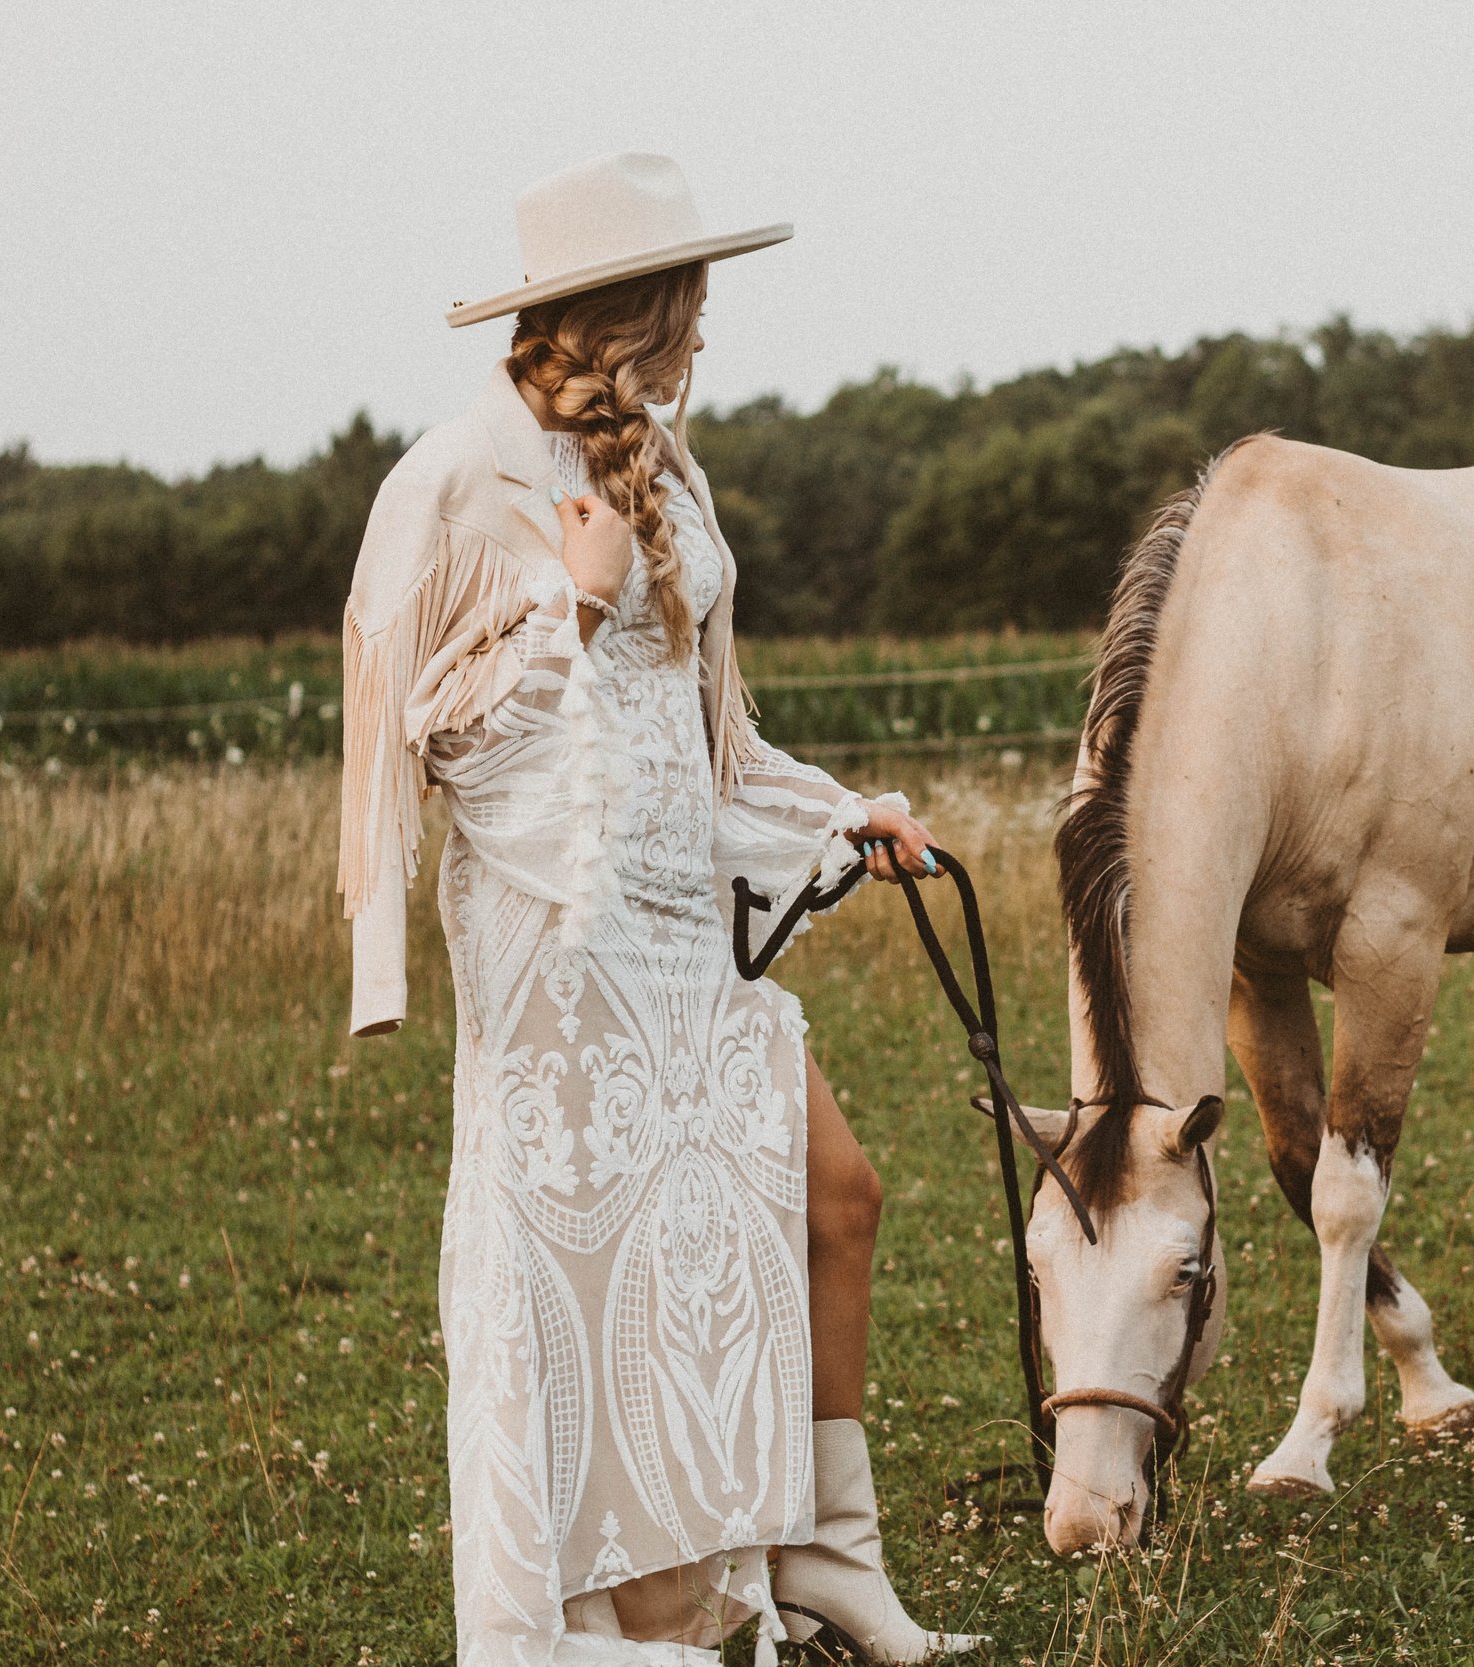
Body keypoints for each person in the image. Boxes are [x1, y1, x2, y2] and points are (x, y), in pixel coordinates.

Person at [338, 152, 982, 1666]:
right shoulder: (454, 477)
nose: (706, 331)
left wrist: (845, 818)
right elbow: (432, 742)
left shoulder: (667, 467)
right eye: (691, 303)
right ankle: (654, 1616)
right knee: (606, 1291)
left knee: (816, 1207)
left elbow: (704, 740)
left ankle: (824, 1561)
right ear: (632, 311)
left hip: (688, 942)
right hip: (559, 964)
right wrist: (575, 610)